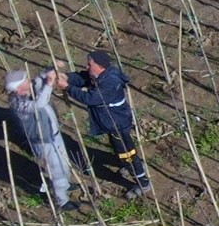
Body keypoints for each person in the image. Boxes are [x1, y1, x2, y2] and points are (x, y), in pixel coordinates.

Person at [59, 50, 151, 199]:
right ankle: (129, 165)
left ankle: (143, 182)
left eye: (90, 64)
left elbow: (90, 98)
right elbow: (83, 78)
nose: (87, 67)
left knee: (127, 154)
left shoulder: (109, 83)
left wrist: (68, 88)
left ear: (100, 66)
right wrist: (67, 78)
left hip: (117, 124)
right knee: (119, 149)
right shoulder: (101, 75)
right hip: (112, 123)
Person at [5, 66, 83, 212]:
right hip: (43, 141)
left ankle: (65, 185)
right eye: (25, 81)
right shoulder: (19, 104)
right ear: (18, 89)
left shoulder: (29, 91)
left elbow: (39, 79)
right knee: (55, 170)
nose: (29, 81)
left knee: (64, 163)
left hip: (54, 135)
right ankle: (62, 200)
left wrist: (51, 69)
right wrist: (48, 83)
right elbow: (39, 104)